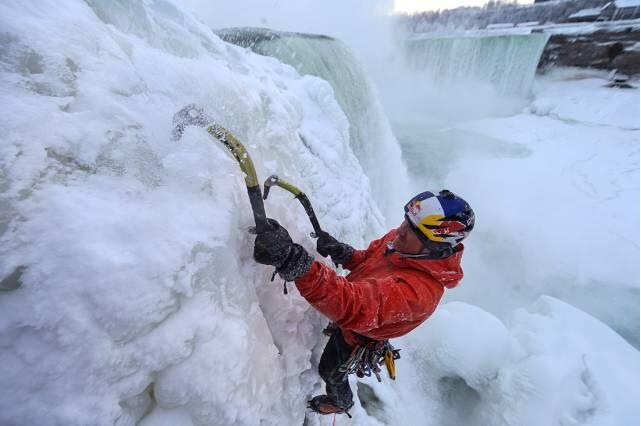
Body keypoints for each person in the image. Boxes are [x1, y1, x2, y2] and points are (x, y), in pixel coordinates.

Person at [253, 189, 475, 416]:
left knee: (330, 371)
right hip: (364, 310)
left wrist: (295, 262)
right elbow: (369, 260)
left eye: (412, 230)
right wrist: (344, 253)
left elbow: (353, 305)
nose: (399, 231)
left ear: (436, 246)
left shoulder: (419, 294)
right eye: (406, 221)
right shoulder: (402, 243)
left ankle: (341, 403)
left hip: (361, 333)